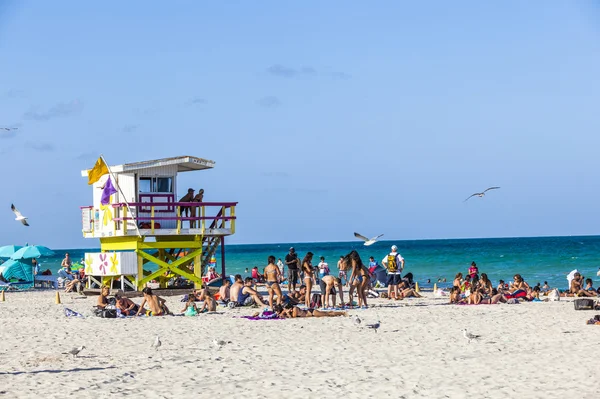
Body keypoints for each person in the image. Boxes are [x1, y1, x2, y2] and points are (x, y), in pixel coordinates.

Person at [273, 304, 347, 318]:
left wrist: (288, 314)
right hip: (309, 313)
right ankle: (341, 313)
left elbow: (294, 317)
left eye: (286, 309)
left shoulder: (295, 309)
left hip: (311, 313)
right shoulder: (288, 310)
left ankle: (342, 313)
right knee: (327, 313)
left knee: (327, 314)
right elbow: (281, 313)